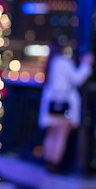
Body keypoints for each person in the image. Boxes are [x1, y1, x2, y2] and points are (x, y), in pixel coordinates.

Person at [38, 40, 93, 174]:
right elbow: (77, 79)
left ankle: (48, 162)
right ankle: (54, 165)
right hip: (63, 105)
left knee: (52, 135)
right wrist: (86, 64)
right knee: (60, 135)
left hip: (52, 104)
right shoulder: (63, 62)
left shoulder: (51, 62)